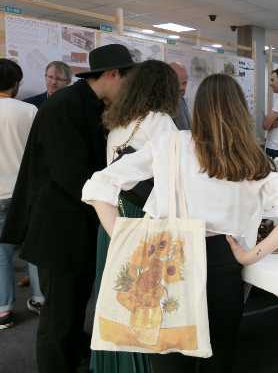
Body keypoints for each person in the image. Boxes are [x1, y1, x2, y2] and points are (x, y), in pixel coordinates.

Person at [81, 73, 278, 373]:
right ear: (240, 110)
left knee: (169, 356)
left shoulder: (171, 144)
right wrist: (251, 254)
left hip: (168, 257)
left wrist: (125, 238)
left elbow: (100, 184)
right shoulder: (248, 156)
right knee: (218, 357)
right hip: (223, 260)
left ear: (197, 107)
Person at [0, 44, 134, 373]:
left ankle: (74, 355)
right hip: (59, 228)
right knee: (59, 314)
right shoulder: (65, 107)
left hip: (78, 225)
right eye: (127, 80)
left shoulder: (87, 104)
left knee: (75, 306)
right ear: (113, 74)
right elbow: (72, 174)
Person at [91, 60, 180, 373]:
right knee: (144, 302)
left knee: (117, 299)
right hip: (143, 220)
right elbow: (170, 179)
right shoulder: (160, 122)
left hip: (112, 219)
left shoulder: (118, 122)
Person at [0, 59, 40, 330]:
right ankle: (40, 299)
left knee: (1, 254)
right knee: (35, 248)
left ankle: (3, 311)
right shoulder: (30, 111)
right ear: (16, 84)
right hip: (25, 192)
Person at [169, 62, 191, 130]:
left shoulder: (181, 100)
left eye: (184, 83)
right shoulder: (161, 103)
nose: (181, 87)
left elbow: (188, 129)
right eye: (177, 83)